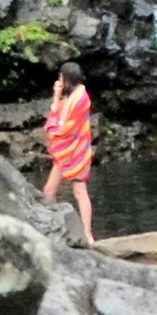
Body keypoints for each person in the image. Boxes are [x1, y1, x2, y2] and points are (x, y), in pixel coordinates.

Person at [40, 67, 99, 245]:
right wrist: (56, 95)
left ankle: (88, 234)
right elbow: (56, 113)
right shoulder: (68, 97)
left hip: (77, 150)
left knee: (79, 191)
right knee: (49, 191)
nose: (58, 81)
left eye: (61, 78)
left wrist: (55, 131)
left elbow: (67, 127)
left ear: (67, 79)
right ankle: (52, 231)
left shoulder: (80, 98)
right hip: (66, 152)